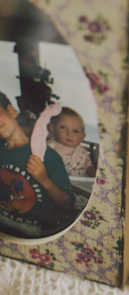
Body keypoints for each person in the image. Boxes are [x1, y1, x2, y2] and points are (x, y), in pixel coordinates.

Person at [0, 92, 75, 237]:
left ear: (11, 111)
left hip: (30, 232)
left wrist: (44, 179)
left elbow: (67, 205)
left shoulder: (49, 157)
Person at [47, 107, 96, 177]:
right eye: (63, 127)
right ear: (52, 128)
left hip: (82, 184)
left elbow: (88, 167)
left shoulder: (81, 150)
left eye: (75, 131)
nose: (69, 134)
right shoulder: (49, 147)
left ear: (82, 137)